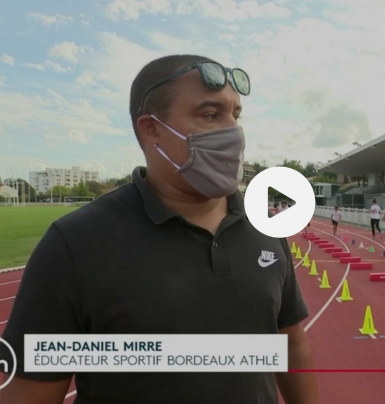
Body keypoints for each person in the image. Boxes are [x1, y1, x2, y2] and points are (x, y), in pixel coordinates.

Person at [0, 55, 318, 404]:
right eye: (211, 115)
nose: (234, 132)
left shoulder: (264, 224)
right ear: (152, 129)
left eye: (235, 115)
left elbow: (290, 343)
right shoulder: (76, 243)